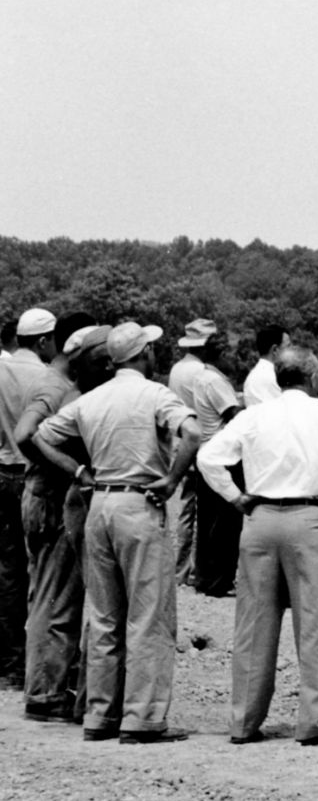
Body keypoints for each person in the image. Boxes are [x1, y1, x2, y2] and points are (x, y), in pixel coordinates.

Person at [31, 322, 205, 743]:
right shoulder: (156, 395)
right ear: (143, 354)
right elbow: (193, 432)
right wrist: (171, 479)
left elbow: (39, 435)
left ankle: (100, 715)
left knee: (105, 616)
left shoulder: (93, 398)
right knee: (148, 616)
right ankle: (141, 717)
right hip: (140, 503)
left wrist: (77, 470)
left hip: (100, 503)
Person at [198, 343, 318, 746]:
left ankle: (244, 721)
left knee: (254, 623)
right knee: (313, 622)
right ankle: (313, 721)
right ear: (313, 377)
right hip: (309, 518)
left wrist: (235, 496)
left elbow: (210, 458)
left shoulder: (254, 414)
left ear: (277, 378)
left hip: (259, 519)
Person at [16, 324, 107, 721]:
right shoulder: (56, 387)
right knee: (55, 601)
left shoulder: (55, 382)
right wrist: (73, 469)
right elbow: (25, 434)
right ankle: (45, 694)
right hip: (50, 497)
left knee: (50, 596)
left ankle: (49, 687)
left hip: (45, 494)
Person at [0, 309, 62, 691]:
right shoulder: (45, 378)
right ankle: (45, 666)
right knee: (45, 571)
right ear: (43, 341)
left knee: (8, 570)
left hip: (1, 469)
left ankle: (11, 664)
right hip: (35, 477)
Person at [168, 318, 244, 597]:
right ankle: (208, 575)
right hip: (211, 446)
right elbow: (231, 414)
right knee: (217, 518)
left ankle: (185, 570)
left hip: (185, 442)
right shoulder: (206, 375)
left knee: (192, 511)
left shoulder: (178, 370)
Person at [241, 324, 288, 408]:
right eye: (288, 347)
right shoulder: (267, 377)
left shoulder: (261, 373)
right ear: (275, 350)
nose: (292, 352)